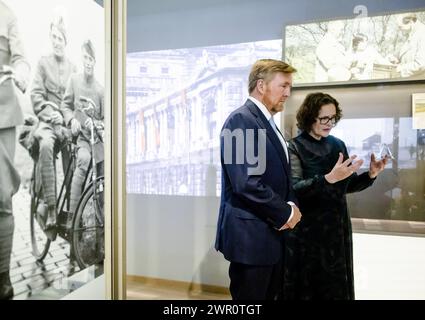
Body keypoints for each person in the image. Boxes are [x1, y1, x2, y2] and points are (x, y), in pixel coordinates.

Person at [282, 92, 389, 300]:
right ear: (310, 116)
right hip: (307, 232)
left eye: (333, 118)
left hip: (337, 231)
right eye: (324, 118)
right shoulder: (294, 147)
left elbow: (346, 186)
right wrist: (328, 178)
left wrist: (371, 174)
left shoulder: (338, 145)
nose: (329, 123)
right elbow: (295, 189)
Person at [215, 59, 302, 300]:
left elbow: (280, 177)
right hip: (251, 240)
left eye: (289, 87)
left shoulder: (267, 123)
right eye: (283, 85)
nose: (288, 92)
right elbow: (245, 183)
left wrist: (292, 205)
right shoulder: (240, 120)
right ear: (261, 86)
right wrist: (285, 212)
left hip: (269, 237)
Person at [31, 15, 76, 232]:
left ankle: (73, 210)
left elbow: (75, 101)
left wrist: (66, 118)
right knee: (46, 145)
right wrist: (52, 114)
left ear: (66, 41)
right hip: (48, 123)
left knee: (75, 153)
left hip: (65, 124)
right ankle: (51, 207)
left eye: (60, 38)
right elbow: (36, 96)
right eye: (54, 37)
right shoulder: (42, 63)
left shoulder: (73, 69)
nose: (57, 42)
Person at [0, 0, 30, 300]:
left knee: (1, 194)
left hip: (2, 114)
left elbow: (21, 58)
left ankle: (2, 278)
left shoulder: (6, 14)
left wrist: (21, 71)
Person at [62, 39, 104, 223]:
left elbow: (104, 120)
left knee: (104, 172)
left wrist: (96, 124)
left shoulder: (101, 90)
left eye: (91, 59)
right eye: (85, 58)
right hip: (82, 140)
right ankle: (73, 218)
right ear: (82, 59)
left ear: (95, 61)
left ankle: (101, 219)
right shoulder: (74, 80)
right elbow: (65, 105)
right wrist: (71, 119)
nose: (88, 62)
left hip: (97, 141)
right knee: (84, 160)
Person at [392, 13, 425, 79]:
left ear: (411, 22)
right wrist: (396, 58)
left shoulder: (422, 33)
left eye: (400, 27)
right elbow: (406, 54)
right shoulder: (411, 33)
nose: (399, 30)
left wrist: (401, 68)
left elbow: (421, 64)